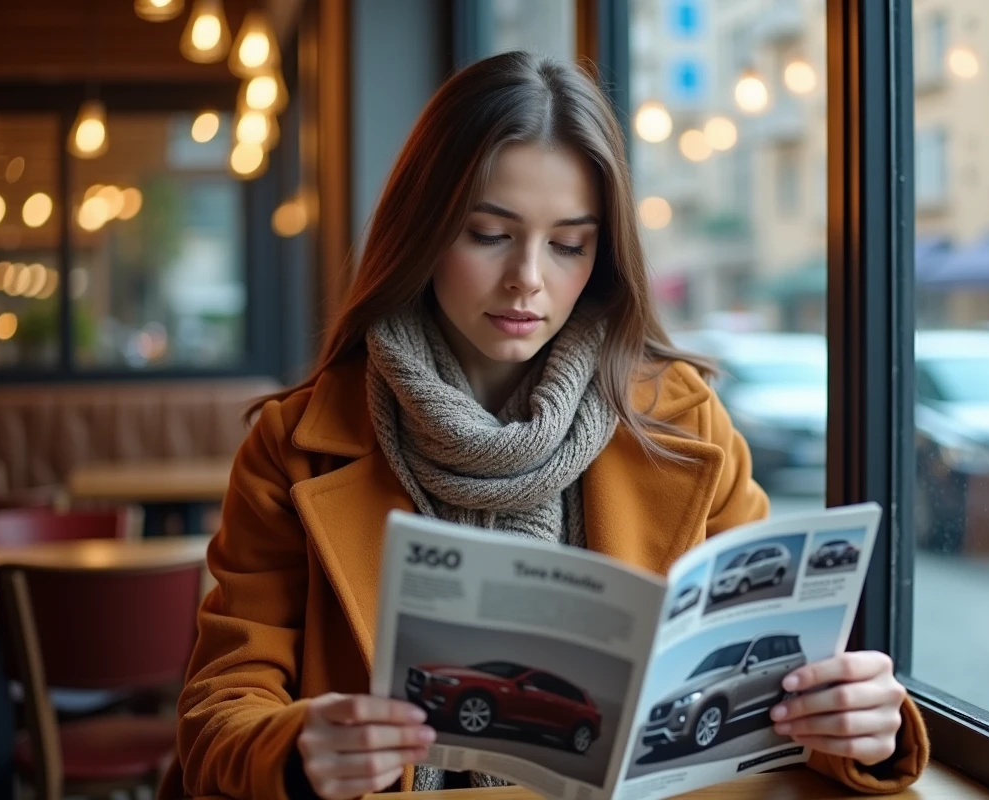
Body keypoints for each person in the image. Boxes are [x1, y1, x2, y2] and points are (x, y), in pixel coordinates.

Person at [160, 51, 929, 800]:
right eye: (488, 234)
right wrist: (297, 750)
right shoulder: (296, 446)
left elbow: (770, 685)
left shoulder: (683, 420)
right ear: (423, 231)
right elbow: (219, 710)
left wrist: (860, 725)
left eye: (568, 245)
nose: (527, 278)